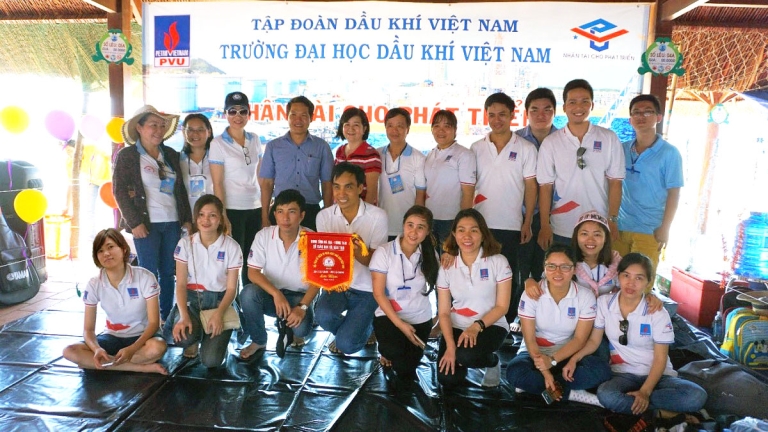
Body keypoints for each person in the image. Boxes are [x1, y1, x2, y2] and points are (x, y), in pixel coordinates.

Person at [564, 253, 706, 417]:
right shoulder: (604, 303)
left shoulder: (657, 312)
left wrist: (645, 392)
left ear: (648, 282)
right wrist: (574, 358)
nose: (631, 283)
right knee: (606, 393)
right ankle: (663, 413)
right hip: (623, 375)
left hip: (658, 377)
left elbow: (660, 358)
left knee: (696, 396)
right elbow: (594, 341)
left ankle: (633, 404)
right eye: (626, 275)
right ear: (618, 277)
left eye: (639, 278)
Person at [520, 212, 663, 332]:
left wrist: (649, 296)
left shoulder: (617, 263)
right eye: (584, 234)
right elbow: (546, 278)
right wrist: (529, 281)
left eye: (597, 234)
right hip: (572, 324)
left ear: (606, 238)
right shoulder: (566, 259)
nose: (590, 240)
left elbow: (630, 287)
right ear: (576, 237)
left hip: (605, 324)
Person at [113, 105, 192, 321]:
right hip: (146, 225)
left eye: (162, 125)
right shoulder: (127, 156)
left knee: (168, 272)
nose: (158, 130)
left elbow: (181, 190)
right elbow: (119, 191)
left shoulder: (171, 155)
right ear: (139, 128)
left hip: (172, 222)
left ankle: (165, 317)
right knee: (148, 272)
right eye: (153, 125)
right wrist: (134, 222)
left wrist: (186, 219)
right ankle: (148, 318)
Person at [506, 244, 611, 403]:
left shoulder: (585, 296)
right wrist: (545, 371)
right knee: (514, 373)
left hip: (567, 353)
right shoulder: (531, 294)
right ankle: (571, 393)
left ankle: (537, 385)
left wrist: (552, 361)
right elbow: (529, 339)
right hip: (535, 354)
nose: (558, 272)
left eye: (565, 267)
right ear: (544, 268)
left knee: (602, 370)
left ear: (574, 269)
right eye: (551, 266)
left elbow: (579, 340)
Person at [471, 92, 538, 323]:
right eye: (492, 115)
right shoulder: (476, 148)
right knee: (481, 276)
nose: (496, 119)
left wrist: (527, 221)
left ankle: (506, 323)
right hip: (481, 224)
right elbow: (469, 186)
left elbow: (531, 187)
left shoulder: (526, 148)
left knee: (508, 277)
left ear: (512, 115)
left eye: (502, 114)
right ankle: (480, 320)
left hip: (511, 224)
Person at [63, 228, 167, 374]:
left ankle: (100, 364)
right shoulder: (94, 283)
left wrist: (132, 349)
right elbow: (88, 330)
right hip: (112, 337)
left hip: (142, 337)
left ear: (124, 249)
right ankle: (138, 367)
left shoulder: (145, 277)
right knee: (70, 351)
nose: (106, 253)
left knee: (158, 347)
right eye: (100, 251)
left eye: (110, 247)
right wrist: (96, 349)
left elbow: (154, 323)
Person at [537, 79, 625, 249]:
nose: (579, 107)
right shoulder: (551, 142)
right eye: (572, 102)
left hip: (598, 225)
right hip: (562, 226)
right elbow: (545, 187)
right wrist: (544, 225)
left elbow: (616, 182)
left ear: (592, 105)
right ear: (564, 107)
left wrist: (612, 220)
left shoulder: (609, 138)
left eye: (585, 101)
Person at [315, 162, 388, 354]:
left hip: (368, 289)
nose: (341, 193)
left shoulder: (378, 216)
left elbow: (377, 264)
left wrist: (358, 252)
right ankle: (352, 330)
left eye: (348, 187)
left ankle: (364, 328)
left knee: (347, 345)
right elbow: (325, 260)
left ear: (360, 188)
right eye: (336, 187)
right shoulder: (323, 217)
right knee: (322, 315)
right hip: (338, 285)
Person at [240, 189, 320, 359]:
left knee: (301, 330)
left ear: (302, 215)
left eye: (292, 212)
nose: (285, 218)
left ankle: (290, 326)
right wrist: (276, 294)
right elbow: (252, 273)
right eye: (280, 211)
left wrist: (303, 307)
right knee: (248, 293)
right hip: (272, 296)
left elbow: (317, 281)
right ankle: (259, 340)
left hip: (299, 297)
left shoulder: (312, 238)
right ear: (274, 214)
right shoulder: (264, 236)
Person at [165, 194, 243, 368]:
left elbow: (232, 289)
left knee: (211, 361)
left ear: (220, 219)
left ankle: (215, 340)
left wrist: (219, 314)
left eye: (212, 215)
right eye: (201, 214)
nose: (206, 220)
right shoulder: (185, 244)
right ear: (195, 217)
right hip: (192, 301)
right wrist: (183, 316)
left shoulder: (232, 246)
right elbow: (181, 285)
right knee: (183, 337)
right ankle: (195, 337)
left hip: (219, 301)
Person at [436, 209, 511, 388]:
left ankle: (492, 362)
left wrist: (476, 327)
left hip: (490, 325)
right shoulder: (447, 266)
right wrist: (451, 347)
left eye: (474, 230)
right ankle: (461, 356)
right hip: (457, 325)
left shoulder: (498, 261)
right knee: (447, 379)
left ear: (483, 234)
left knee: (467, 356)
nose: (467, 236)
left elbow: (502, 307)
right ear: (454, 234)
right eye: (461, 230)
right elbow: (444, 313)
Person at [616, 95, 684, 279]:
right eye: (636, 112)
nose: (641, 116)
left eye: (647, 112)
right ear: (630, 119)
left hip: (650, 230)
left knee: (640, 283)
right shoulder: (621, 149)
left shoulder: (670, 153)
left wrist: (665, 227)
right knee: (615, 279)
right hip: (620, 227)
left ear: (658, 117)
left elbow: (674, 193)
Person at [370, 205, 439, 385]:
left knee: (405, 369)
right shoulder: (384, 252)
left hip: (420, 318)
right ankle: (385, 350)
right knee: (394, 350)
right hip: (389, 316)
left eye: (420, 227)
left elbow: (444, 288)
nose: (413, 232)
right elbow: (378, 294)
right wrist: (401, 325)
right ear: (403, 225)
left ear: (427, 232)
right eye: (410, 225)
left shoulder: (431, 255)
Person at [209, 91, 263, 286]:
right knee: (232, 262)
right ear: (225, 114)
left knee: (253, 260)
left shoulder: (254, 139)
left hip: (255, 207)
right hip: (233, 209)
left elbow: (260, 176)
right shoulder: (217, 144)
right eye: (232, 111)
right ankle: (232, 301)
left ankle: (249, 300)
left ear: (249, 114)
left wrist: (265, 206)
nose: (238, 116)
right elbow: (217, 183)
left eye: (243, 111)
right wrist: (223, 215)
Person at [259, 96, 334, 231]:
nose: (298, 120)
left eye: (303, 115)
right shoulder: (273, 146)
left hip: (310, 211)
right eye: (293, 115)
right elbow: (267, 183)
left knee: (309, 245)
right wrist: (264, 216)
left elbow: (327, 183)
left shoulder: (322, 147)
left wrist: (328, 214)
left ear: (311, 118)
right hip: (281, 210)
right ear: (286, 116)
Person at [515, 88, 558, 298]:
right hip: (520, 215)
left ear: (555, 112)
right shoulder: (514, 140)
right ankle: (516, 313)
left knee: (548, 270)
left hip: (555, 217)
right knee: (519, 271)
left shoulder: (564, 140)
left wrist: (546, 223)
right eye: (535, 110)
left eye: (547, 110)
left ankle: (544, 313)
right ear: (526, 113)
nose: (541, 115)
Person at [424, 110, 476, 252]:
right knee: (432, 260)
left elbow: (468, 193)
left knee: (450, 260)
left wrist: (462, 224)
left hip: (451, 220)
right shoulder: (431, 154)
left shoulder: (464, 155)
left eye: (446, 126)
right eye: (436, 126)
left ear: (455, 130)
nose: (441, 131)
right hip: (430, 218)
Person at [377, 108, 427, 241]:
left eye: (399, 126)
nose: (394, 130)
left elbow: (420, 195)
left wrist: (416, 225)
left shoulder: (418, 158)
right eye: (390, 126)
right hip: (380, 224)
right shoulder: (377, 154)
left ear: (407, 129)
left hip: (406, 228)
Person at [334, 107, 381, 205]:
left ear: (364, 128)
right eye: (347, 124)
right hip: (340, 208)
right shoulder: (340, 151)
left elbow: (371, 192)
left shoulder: (371, 154)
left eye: (356, 125)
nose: (351, 129)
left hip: (361, 209)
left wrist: (364, 213)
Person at [180, 114, 214, 212]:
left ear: (209, 132)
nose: (195, 134)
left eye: (200, 129)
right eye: (190, 130)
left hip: (212, 216)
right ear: (184, 132)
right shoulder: (176, 161)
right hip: (187, 217)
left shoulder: (218, 159)